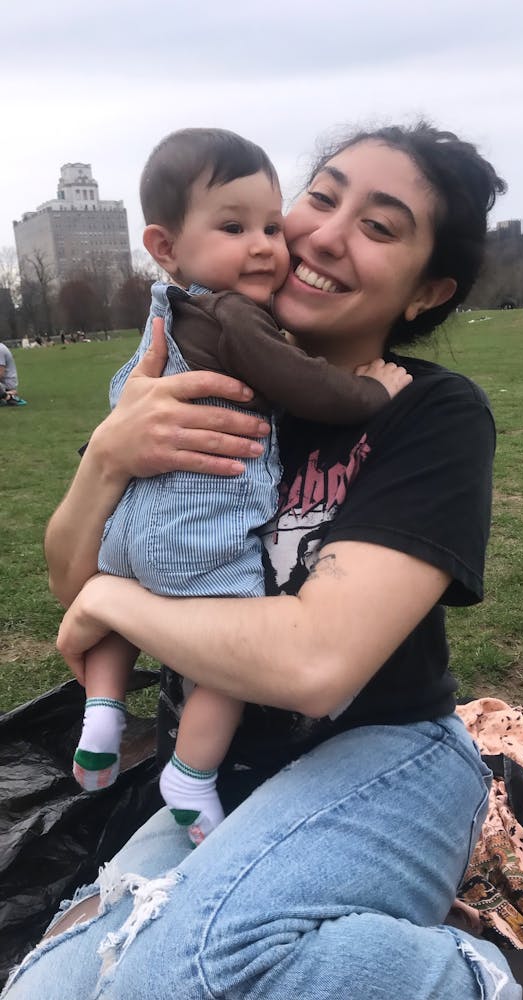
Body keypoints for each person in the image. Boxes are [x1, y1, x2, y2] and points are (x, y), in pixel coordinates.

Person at [7, 121, 523, 1000]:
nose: (327, 235)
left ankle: (487, 981)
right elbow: (70, 579)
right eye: (324, 196)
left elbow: (313, 662)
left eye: (379, 228)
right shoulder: (187, 385)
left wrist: (118, 602)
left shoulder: (430, 415)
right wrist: (110, 457)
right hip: (220, 775)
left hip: (389, 759)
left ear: (426, 293)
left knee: (180, 970)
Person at [72, 128, 410, 849]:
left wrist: (106, 466)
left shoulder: (171, 314)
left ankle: (102, 711)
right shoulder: (231, 314)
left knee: (115, 603)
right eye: (234, 228)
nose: (265, 245)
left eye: (267, 223)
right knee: (232, 639)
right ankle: (192, 774)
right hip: (199, 527)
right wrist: (369, 394)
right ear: (165, 247)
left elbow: (78, 579)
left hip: (129, 529)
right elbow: (296, 382)